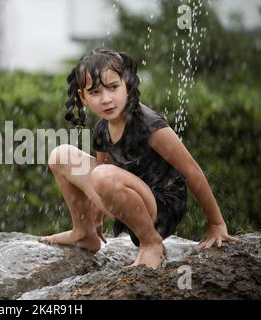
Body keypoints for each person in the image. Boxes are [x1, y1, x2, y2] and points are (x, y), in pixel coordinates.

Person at [39, 48, 239, 269]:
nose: (106, 99)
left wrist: (216, 224)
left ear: (128, 84)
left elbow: (192, 170)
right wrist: (96, 219)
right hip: (126, 199)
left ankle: (151, 243)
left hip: (161, 207)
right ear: (82, 97)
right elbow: (103, 170)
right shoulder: (101, 129)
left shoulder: (149, 125)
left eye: (113, 88)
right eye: (95, 92)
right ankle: (84, 233)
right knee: (61, 155)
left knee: (103, 175)